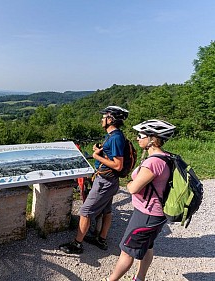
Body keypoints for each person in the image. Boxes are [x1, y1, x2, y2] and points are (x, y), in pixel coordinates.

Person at [104, 119, 176, 281]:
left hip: (146, 215)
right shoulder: (166, 157)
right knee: (147, 245)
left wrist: (129, 182)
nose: (137, 138)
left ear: (151, 138)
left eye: (140, 135)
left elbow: (133, 188)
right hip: (156, 213)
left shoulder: (153, 163)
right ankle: (140, 278)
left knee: (126, 251)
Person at [59, 105, 128, 254]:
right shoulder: (114, 135)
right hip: (110, 181)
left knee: (85, 211)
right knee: (106, 209)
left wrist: (96, 156)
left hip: (105, 181)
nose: (101, 119)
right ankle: (101, 239)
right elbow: (111, 154)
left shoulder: (115, 138)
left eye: (104, 117)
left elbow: (118, 165)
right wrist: (100, 150)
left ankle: (77, 244)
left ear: (111, 119)